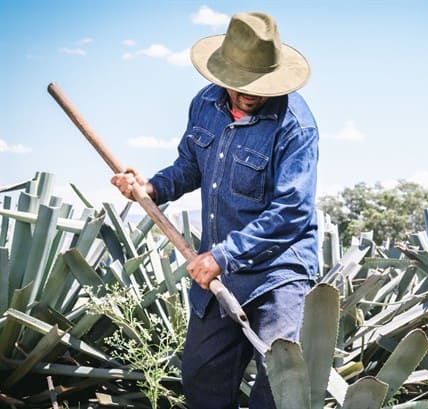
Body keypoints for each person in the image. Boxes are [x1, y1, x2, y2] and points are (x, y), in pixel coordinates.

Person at [111, 11, 319, 409]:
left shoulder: (296, 126)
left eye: (259, 83)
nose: (248, 92)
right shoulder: (205, 103)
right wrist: (149, 188)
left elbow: (292, 210)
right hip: (218, 268)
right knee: (202, 376)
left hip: (277, 272)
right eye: (240, 82)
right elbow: (190, 166)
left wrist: (224, 255)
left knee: (278, 384)